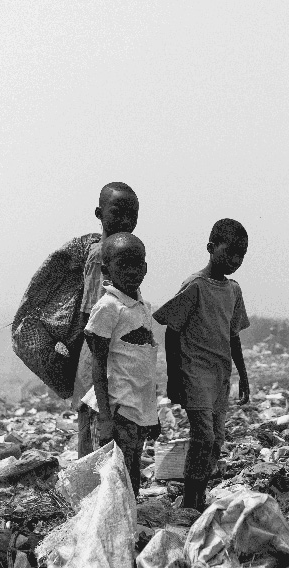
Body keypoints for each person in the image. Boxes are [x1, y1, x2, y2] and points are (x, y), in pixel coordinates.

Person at [154, 218, 250, 510]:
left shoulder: (233, 290)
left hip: (221, 375)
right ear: (210, 248)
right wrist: (174, 379)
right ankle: (190, 499)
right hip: (194, 372)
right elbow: (172, 330)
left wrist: (243, 376)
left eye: (240, 255)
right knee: (203, 436)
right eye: (229, 252)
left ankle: (198, 493)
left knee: (216, 440)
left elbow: (233, 336)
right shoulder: (195, 286)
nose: (234, 260)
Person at [84, 232, 158, 496]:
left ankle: (130, 526)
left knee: (133, 473)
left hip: (139, 410)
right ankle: (117, 529)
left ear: (146, 267)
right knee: (117, 478)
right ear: (107, 270)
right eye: (122, 264)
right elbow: (98, 364)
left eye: (137, 264)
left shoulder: (142, 308)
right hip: (118, 409)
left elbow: (145, 366)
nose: (131, 271)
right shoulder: (108, 307)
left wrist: (154, 414)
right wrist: (104, 417)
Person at [73, 182, 140, 458]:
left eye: (132, 214)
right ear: (99, 214)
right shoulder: (102, 256)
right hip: (98, 358)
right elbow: (92, 315)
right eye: (118, 212)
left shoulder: (126, 255)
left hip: (113, 360)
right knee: (96, 431)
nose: (126, 220)